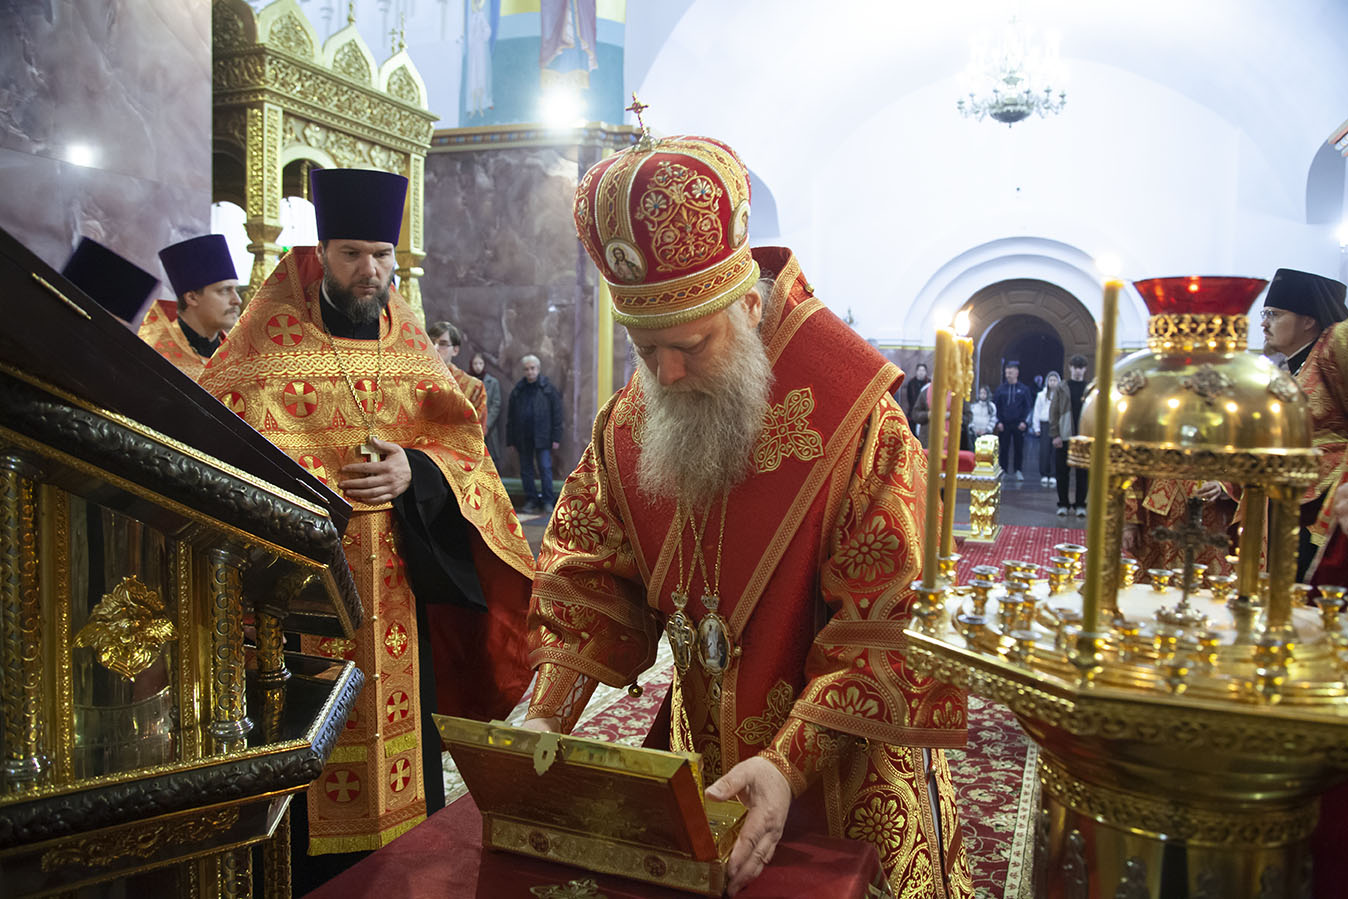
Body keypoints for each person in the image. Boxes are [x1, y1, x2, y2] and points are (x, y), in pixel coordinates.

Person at [521, 133, 972, 897]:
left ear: (751, 306)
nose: (665, 374)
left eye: (691, 344)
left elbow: (897, 625)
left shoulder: (861, 422)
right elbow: (588, 582)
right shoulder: (629, 423)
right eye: (645, 348)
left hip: (845, 774)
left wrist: (788, 762)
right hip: (699, 761)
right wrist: (546, 715)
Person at [198, 168, 534, 890]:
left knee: (404, 784)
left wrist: (416, 470)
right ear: (321, 253)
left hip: (398, 605)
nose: (369, 270)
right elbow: (215, 441)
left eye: (381, 254)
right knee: (300, 757)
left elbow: (464, 447)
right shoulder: (264, 347)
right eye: (352, 254)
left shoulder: (408, 345)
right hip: (297, 603)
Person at [1258, 268, 1348, 580]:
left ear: (1308, 321)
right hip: (1286, 498)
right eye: (1264, 314)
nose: (1264, 324)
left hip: (1323, 499)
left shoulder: (1333, 345)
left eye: (1274, 314)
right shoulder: (1293, 370)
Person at [136, 234, 240, 379]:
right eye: (224, 290)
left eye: (236, 290)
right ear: (191, 298)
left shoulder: (239, 355)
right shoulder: (153, 356)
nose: (237, 300)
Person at [506, 354, 563, 514]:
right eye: (527, 369)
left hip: (543, 436)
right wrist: (511, 439)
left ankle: (547, 501)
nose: (530, 372)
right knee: (526, 470)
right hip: (523, 438)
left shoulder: (548, 389)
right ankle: (531, 500)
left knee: (545, 468)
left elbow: (557, 415)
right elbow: (511, 417)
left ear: (538, 369)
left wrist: (556, 437)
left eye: (532, 368)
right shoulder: (518, 390)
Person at [427, 320, 489, 433]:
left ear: (455, 350)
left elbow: (477, 433)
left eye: (443, 344)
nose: (435, 348)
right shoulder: (412, 381)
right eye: (431, 342)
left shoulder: (474, 387)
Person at [1049, 355, 1091, 516]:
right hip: (1064, 434)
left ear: (1085, 369)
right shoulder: (1062, 387)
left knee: (1083, 473)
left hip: (1084, 436)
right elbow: (1054, 411)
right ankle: (1063, 504)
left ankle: (1080, 504)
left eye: (1081, 367)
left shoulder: (1089, 388)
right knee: (1062, 472)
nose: (1078, 371)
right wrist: (1055, 434)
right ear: (1070, 368)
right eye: (1075, 367)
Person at [993, 360, 1033, 480]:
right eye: (1006, 373)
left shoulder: (1024, 389)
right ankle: (1003, 470)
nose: (1008, 375)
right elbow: (995, 407)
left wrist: (1024, 422)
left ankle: (1018, 470)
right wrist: (998, 422)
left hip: (1019, 424)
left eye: (1010, 373)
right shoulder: (1000, 389)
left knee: (1019, 448)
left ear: (1016, 373)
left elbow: (1028, 407)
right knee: (1003, 448)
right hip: (1004, 424)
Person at [469, 351, 504, 466]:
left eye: (480, 363)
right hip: (471, 425)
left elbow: (496, 404)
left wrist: (487, 424)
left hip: (488, 426)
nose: (478, 366)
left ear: (484, 365)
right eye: (475, 364)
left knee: (490, 458)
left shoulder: (492, 382)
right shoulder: (467, 381)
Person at [1032, 371, 1060, 487]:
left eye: (1055, 380)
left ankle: (1053, 474)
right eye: (1050, 380)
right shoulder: (1041, 395)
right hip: (1044, 424)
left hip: (1056, 425)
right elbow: (1037, 411)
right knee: (1044, 450)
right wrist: (1036, 427)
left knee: (1055, 450)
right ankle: (1044, 473)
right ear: (1047, 382)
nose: (1052, 382)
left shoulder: (1061, 395)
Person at [902, 361, 930, 438]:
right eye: (919, 370)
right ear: (916, 372)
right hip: (913, 412)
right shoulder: (911, 383)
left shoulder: (929, 383)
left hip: (925, 412)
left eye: (923, 370)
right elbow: (909, 398)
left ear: (926, 372)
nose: (921, 372)